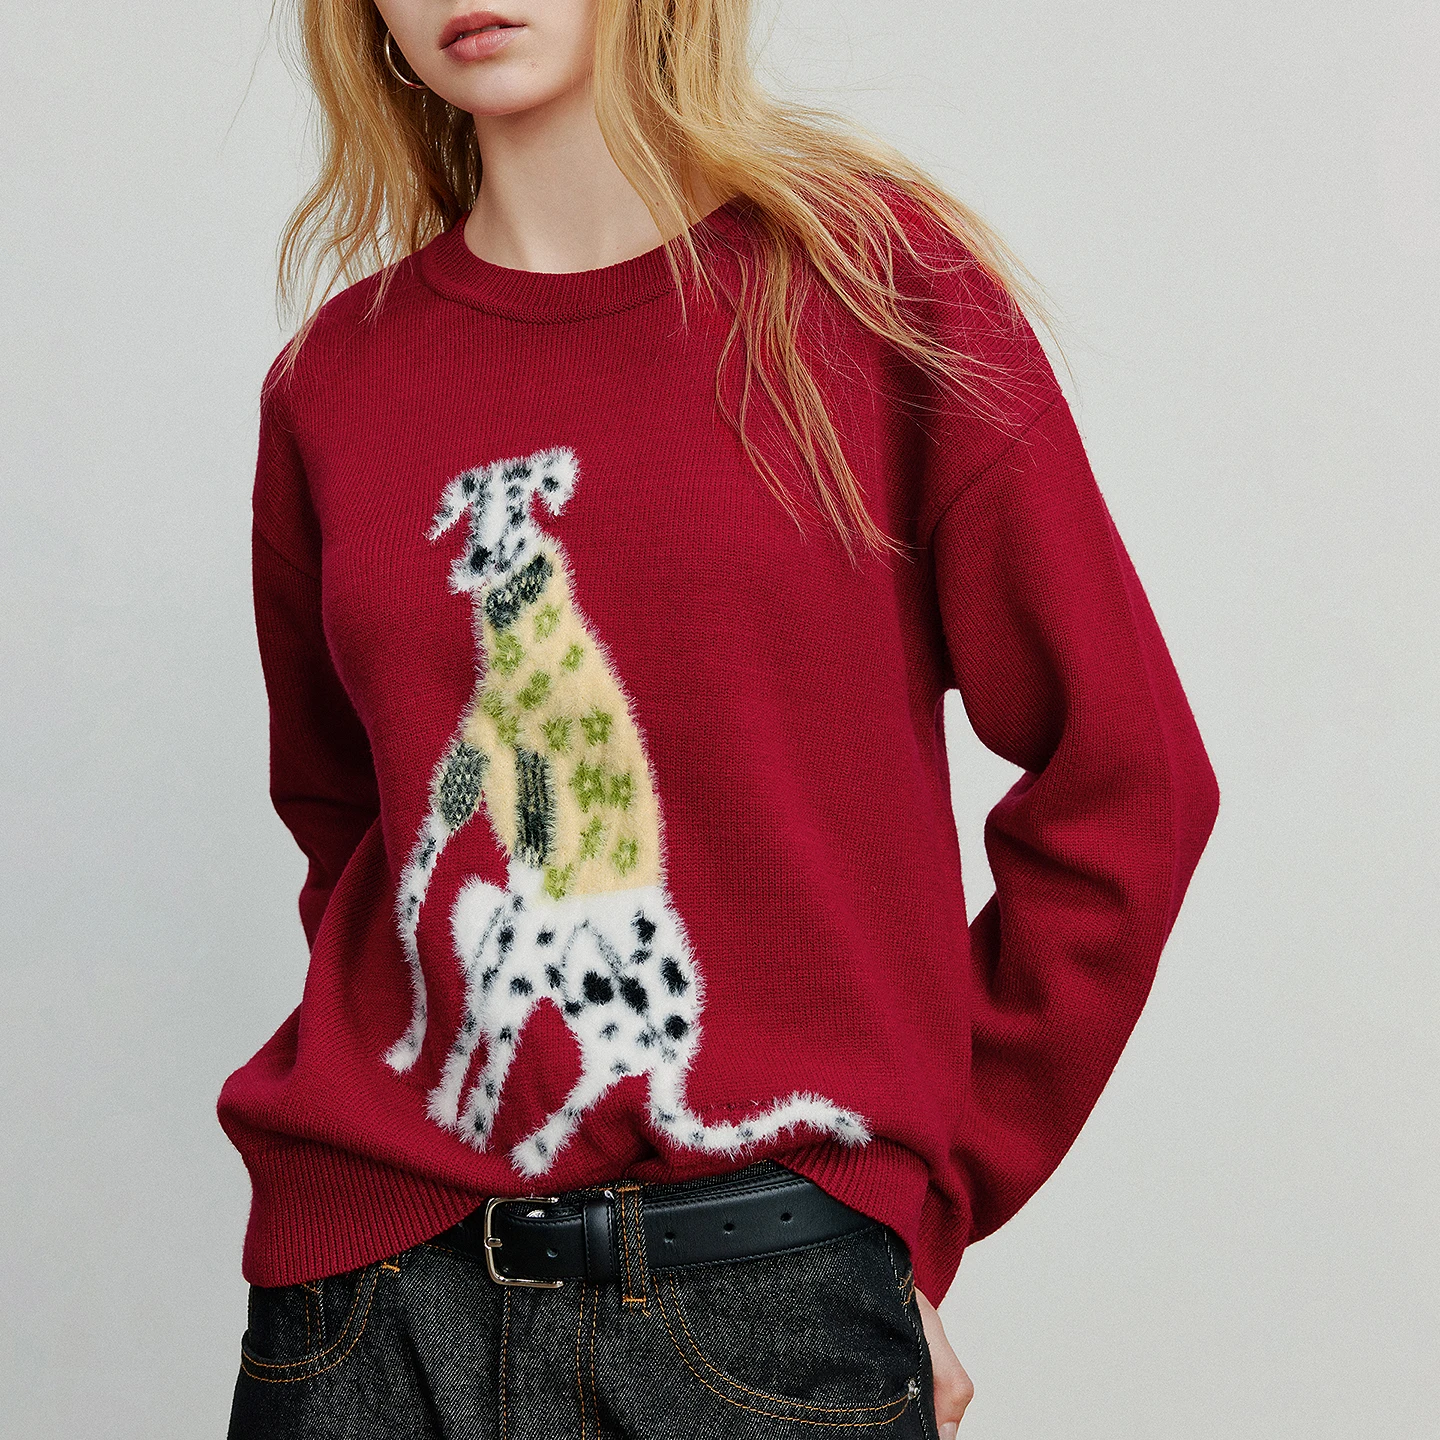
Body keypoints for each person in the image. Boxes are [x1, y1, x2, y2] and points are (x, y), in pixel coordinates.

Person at [220, 2, 1222, 1436]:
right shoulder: (336, 383)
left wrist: (909, 1202)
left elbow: (1131, 780)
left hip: (759, 1304)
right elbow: (349, 828)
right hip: (366, 1316)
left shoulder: (872, 291)